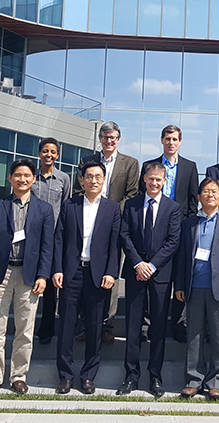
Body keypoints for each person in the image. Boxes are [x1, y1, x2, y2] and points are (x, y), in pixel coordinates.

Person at [0, 159, 54, 395]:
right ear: (10, 178)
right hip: (0, 274)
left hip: (29, 276)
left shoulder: (44, 209)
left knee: (25, 329)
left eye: (27, 175)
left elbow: (47, 246)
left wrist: (43, 275)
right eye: (18, 175)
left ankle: (18, 376)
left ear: (34, 179)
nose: (22, 179)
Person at [53, 162, 121, 395]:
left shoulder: (112, 208)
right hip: (72, 273)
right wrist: (58, 269)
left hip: (98, 275)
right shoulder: (69, 205)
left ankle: (89, 376)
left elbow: (115, 244)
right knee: (66, 327)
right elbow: (59, 239)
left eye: (98, 177)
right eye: (89, 177)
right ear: (82, 180)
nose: (93, 180)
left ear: (104, 180)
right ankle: (65, 376)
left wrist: (112, 272)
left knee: (94, 327)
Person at [117, 162, 181, 397]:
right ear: (144, 179)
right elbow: (124, 235)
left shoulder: (173, 207)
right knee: (133, 326)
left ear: (164, 181)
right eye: (151, 179)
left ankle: (155, 376)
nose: (154, 183)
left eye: (159, 180)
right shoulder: (131, 205)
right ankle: (131, 376)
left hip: (161, 274)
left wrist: (152, 266)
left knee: (158, 327)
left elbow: (173, 241)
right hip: (135, 272)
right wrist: (138, 263)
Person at [175, 178, 219, 401]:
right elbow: (182, 258)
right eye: (206, 191)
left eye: (214, 191)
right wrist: (180, 285)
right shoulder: (189, 224)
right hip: (194, 287)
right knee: (194, 335)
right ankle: (194, 380)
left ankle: (216, 382)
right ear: (199, 197)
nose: (210, 195)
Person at [76, 121, 139, 343]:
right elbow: (78, 189)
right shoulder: (87, 161)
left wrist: (109, 211)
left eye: (113, 137)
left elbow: (132, 194)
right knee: (87, 273)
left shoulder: (130, 163)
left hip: (117, 223)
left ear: (118, 139)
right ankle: (85, 323)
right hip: (87, 222)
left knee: (110, 272)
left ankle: (107, 325)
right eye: (105, 137)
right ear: (100, 139)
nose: (109, 141)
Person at [139, 124, 199, 343]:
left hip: (180, 229)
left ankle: (177, 323)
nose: (171, 142)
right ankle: (147, 325)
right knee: (152, 275)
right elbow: (141, 197)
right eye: (167, 139)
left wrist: (188, 225)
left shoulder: (190, 167)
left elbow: (193, 200)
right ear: (162, 141)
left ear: (180, 142)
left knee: (179, 276)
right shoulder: (149, 166)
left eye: (175, 139)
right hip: (154, 228)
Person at [32, 137, 72, 345]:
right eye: (45, 151)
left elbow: (65, 207)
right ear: (39, 153)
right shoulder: (31, 176)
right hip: (31, 236)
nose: (49, 155)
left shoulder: (64, 179)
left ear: (57, 155)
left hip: (54, 237)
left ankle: (46, 328)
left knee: (50, 287)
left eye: (53, 152)